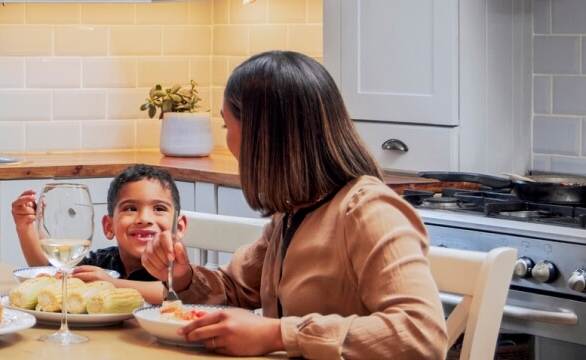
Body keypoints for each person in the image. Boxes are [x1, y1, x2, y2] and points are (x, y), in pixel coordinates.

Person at [142, 51, 448, 358]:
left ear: (261, 134)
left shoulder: (369, 211)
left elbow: (421, 333)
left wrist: (278, 334)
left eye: (226, 126)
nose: (228, 140)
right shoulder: (292, 213)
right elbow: (235, 288)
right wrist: (182, 276)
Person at [11, 164, 183, 304]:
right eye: (130, 208)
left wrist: (113, 285)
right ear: (109, 226)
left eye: (159, 209)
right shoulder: (104, 262)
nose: (144, 219)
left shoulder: (180, 269)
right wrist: (25, 227)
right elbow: (53, 271)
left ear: (180, 227)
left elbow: (173, 292)